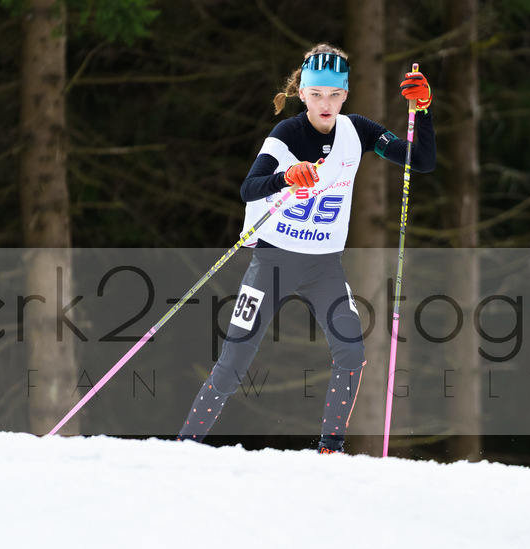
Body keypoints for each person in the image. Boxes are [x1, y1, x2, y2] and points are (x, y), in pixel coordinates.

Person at [178, 43, 436, 454]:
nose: (325, 104)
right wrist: (285, 177)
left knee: (351, 349)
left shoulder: (358, 131)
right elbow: (249, 188)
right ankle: (185, 446)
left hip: (324, 267)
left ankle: (330, 449)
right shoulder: (287, 134)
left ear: (345, 94)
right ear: (301, 94)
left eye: (334, 95)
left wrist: (422, 110)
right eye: (316, 94)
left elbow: (421, 160)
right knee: (234, 361)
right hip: (273, 261)